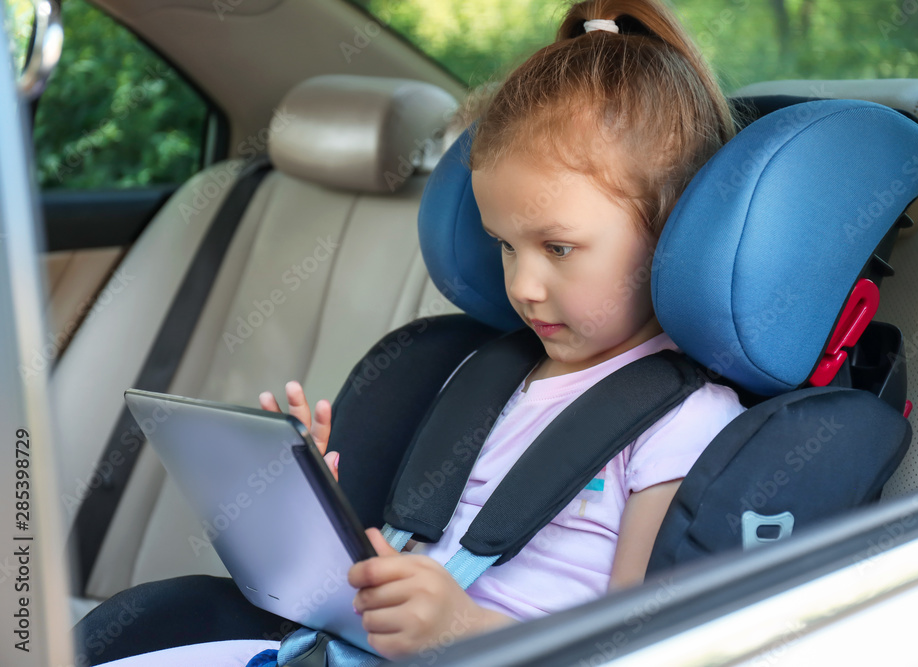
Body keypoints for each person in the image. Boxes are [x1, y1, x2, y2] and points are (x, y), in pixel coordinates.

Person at [80, 0, 744, 663]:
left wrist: (465, 630)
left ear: (672, 233)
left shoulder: (681, 423)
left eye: (559, 247)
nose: (522, 285)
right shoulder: (484, 376)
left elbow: (635, 648)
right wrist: (316, 519)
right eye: (506, 247)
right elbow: (426, 567)